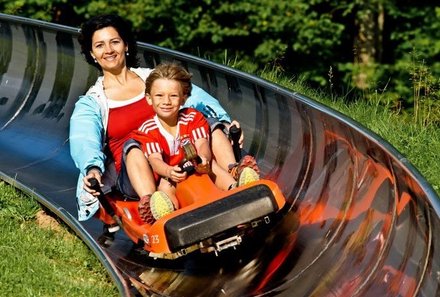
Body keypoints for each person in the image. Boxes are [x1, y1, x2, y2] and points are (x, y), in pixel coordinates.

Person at [69, 14, 259, 224]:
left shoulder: (156, 80)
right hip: (139, 171)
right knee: (134, 144)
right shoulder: (93, 102)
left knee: (209, 124)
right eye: (100, 45)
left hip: (179, 153)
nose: (108, 50)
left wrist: (225, 123)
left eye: (114, 42)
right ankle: (153, 202)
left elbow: (196, 97)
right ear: (92, 54)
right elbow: (83, 138)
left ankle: (236, 174)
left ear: (126, 45)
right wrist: (92, 169)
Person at [127, 63, 259, 223]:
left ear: (183, 97)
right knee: (164, 187)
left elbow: (202, 142)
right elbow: (155, 160)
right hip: (171, 174)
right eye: (159, 96)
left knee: (213, 167)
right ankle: (167, 214)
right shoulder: (148, 129)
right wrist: (169, 171)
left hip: (197, 166)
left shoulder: (192, 117)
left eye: (173, 96)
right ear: (149, 99)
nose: (166, 101)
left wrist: (204, 159)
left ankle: (238, 188)